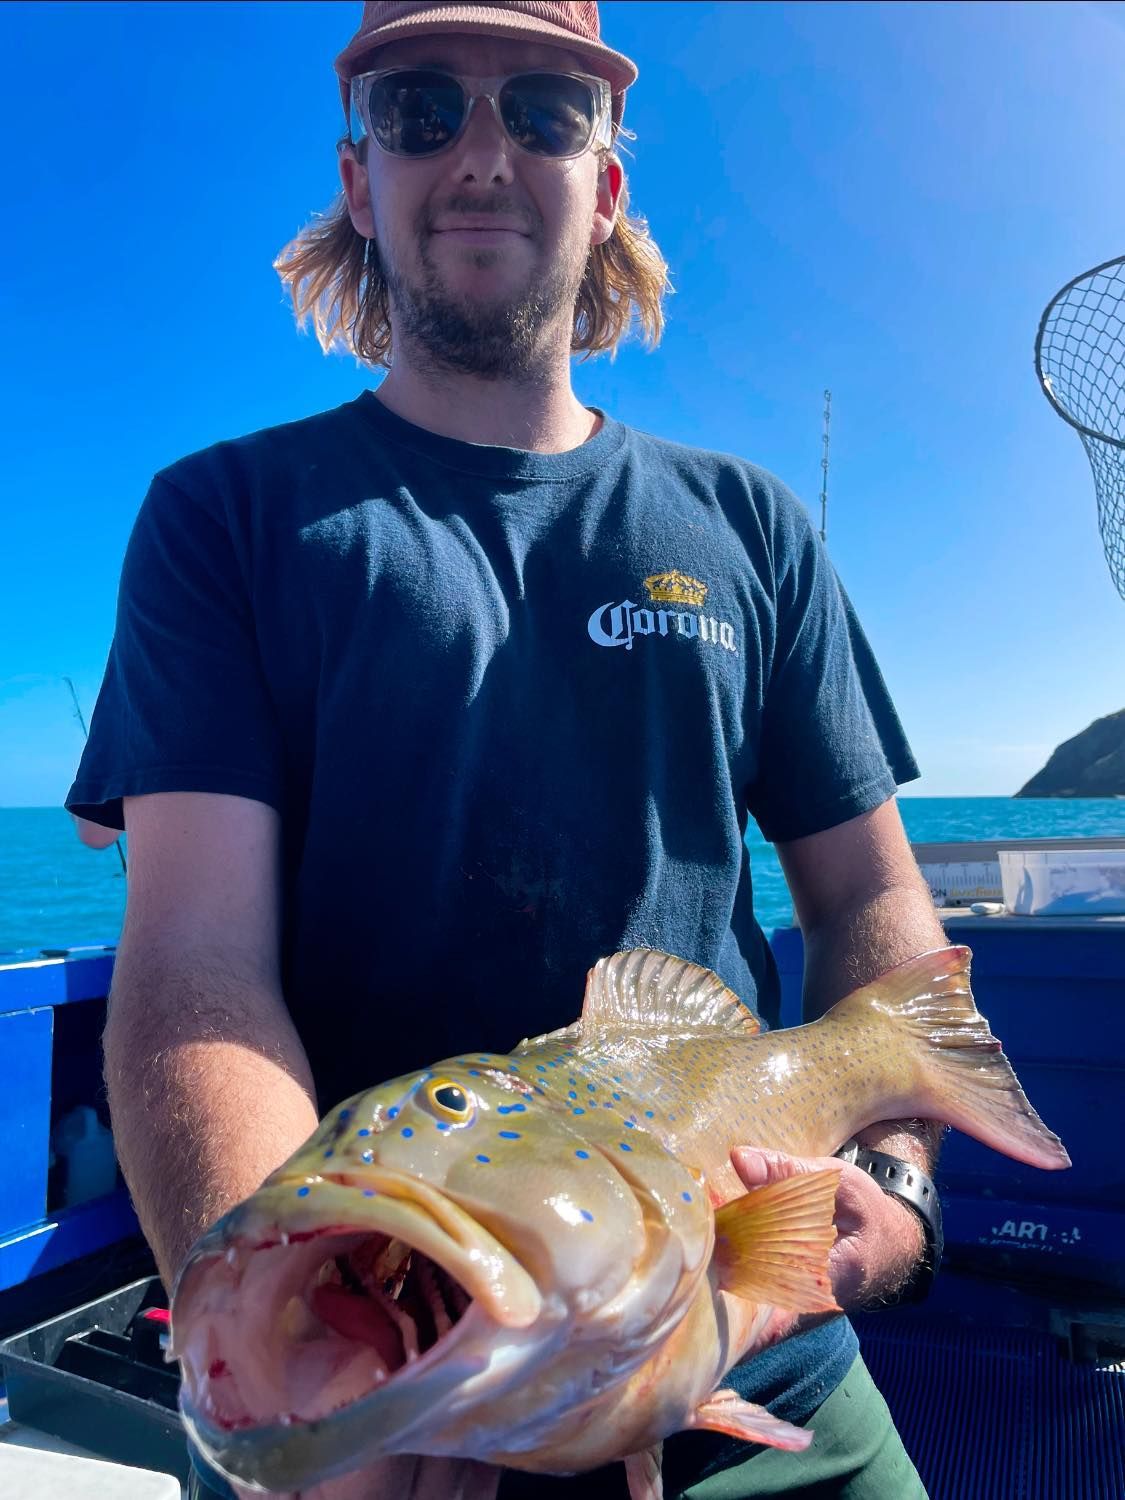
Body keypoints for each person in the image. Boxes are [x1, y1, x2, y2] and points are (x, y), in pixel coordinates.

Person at [67, 4, 947, 1496]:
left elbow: (869, 903)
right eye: (423, 110)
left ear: (605, 183)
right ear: (360, 176)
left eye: (540, 111)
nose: (481, 155)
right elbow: (194, 970)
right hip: (378, 1406)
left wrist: (895, 1182)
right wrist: (292, 1366)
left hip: (757, 1367)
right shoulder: (222, 519)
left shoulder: (751, 529)